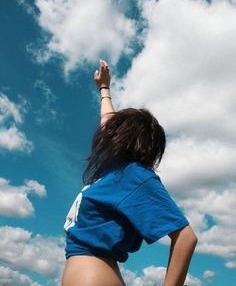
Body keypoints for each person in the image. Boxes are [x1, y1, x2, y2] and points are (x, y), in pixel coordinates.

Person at [61, 60, 197, 286]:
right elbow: (108, 123)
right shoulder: (114, 173)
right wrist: (104, 89)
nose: (109, 131)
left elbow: (186, 237)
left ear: (126, 138)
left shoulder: (133, 176)